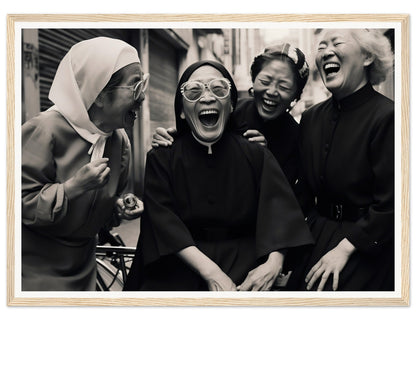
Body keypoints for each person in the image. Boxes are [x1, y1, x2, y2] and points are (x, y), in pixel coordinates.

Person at [124, 60, 313, 291]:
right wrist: (211, 272)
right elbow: (163, 222)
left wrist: (274, 263)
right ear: (182, 110)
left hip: (245, 266)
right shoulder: (162, 157)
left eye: (218, 89)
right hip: (180, 264)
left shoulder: (256, 153)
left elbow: (281, 213)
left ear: (231, 104)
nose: (207, 98)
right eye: (194, 91)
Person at [21, 37, 147, 291]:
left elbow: (102, 215)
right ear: (99, 94)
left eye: (143, 85)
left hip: (85, 268)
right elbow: (16, 204)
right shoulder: (44, 130)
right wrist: (73, 188)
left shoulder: (119, 141)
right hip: (31, 269)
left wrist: (119, 207)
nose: (142, 97)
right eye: (135, 87)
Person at [288, 29, 395, 291]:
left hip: (367, 242)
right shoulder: (312, 118)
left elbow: (393, 204)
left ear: (368, 57)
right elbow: (298, 190)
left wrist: (346, 248)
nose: (326, 52)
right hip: (316, 232)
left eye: (337, 43)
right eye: (321, 46)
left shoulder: (389, 116)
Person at [151, 44, 309, 187]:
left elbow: (283, 195)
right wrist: (172, 136)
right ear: (253, 80)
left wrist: (264, 160)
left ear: (296, 94)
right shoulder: (229, 112)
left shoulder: (297, 138)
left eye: (284, 86)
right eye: (265, 81)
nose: (272, 92)